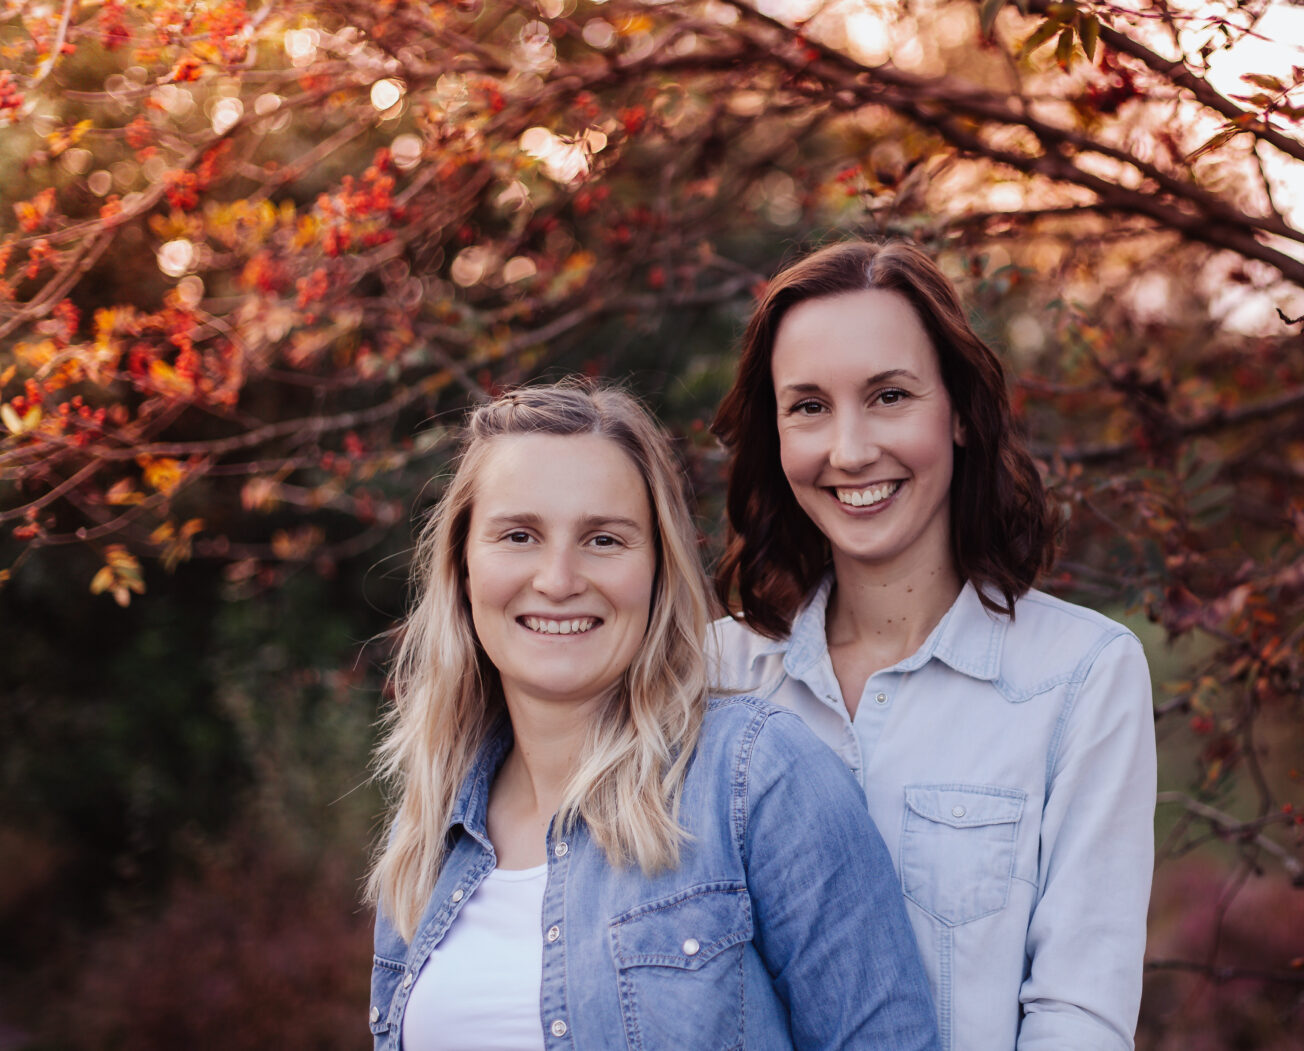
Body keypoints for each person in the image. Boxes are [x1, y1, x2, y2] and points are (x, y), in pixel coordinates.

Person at [366, 381, 940, 1051]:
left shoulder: (757, 777)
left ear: (659, 571)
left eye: (604, 539)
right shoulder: (432, 829)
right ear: (463, 568)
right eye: (519, 535)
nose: (557, 578)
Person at [708, 240, 1156, 1051]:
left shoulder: (1082, 675)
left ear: (957, 411)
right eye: (808, 406)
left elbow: (1078, 1015)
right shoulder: (707, 676)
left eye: (888, 395)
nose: (848, 450)